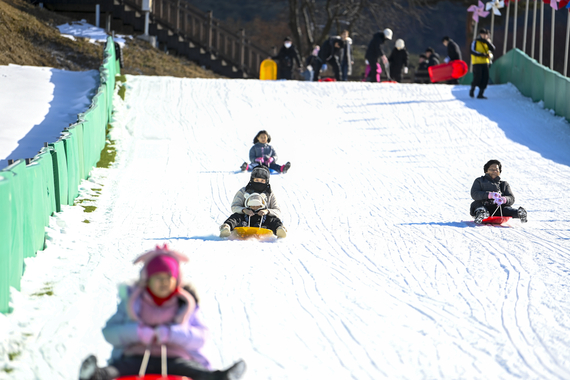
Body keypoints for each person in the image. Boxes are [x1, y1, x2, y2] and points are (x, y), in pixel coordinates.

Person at [78, 245, 246, 380]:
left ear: (177, 280)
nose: (163, 283)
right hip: (137, 356)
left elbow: (200, 337)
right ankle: (95, 375)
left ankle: (220, 377)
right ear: (147, 280)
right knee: (118, 369)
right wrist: (138, 333)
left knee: (194, 370)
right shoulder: (133, 302)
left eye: (168, 279)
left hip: (175, 359)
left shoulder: (185, 304)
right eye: (157, 278)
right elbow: (110, 332)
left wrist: (171, 334)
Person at [220, 165, 287, 238]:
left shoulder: (270, 194)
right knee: (236, 217)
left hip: (263, 219)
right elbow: (235, 206)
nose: (259, 182)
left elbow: (277, 210)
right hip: (246, 216)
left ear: (266, 181)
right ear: (252, 179)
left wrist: (267, 211)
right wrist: (244, 210)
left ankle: (279, 229)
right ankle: (226, 227)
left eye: (262, 181)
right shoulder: (243, 191)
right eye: (257, 180)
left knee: (273, 219)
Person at [470, 159, 528, 224]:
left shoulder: (503, 184)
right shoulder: (479, 181)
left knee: (507, 209)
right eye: (492, 169)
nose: (494, 171)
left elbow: (511, 198)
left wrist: (503, 199)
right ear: (486, 171)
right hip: (484, 205)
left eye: (497, 169)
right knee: (477, 205)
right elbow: (474, 194)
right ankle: (481, 214)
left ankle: (519, 213)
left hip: (499, 208)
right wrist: (489, 195)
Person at [470, 28, 495, 99]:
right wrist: (481, 55)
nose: (484, 36)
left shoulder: (487, 42)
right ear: (480, 34)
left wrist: (487, 42)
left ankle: (480, 94)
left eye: (486, 35)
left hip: (485, 62)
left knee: (485, 78)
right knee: (478, 77)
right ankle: (472, 89)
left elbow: (493, 49)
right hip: (477, 62)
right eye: (483, 34)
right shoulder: (475, 42)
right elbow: (472, 51)